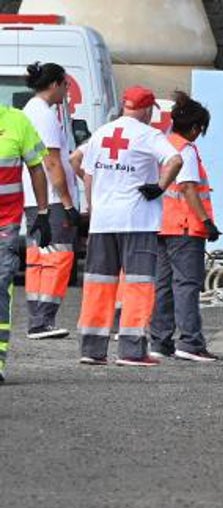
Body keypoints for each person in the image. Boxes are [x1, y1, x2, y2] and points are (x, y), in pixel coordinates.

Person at [77, 86, 183, 366]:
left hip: (103, 222)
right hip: (137, 219)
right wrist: (160, 187)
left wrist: (93, 209)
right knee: (138, 284)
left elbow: (85, 171)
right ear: (148, 110)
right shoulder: (149, 134)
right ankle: (132, 350)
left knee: (98, 285)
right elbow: (175, 159)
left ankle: (92, 349)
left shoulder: (101, 133)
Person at [150, 92, 220, 362]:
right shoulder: (186, 151)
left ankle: (160, 341)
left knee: (163, 285)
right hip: (185, 228)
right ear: (194, 127)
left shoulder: (164, 144)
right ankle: (190, 343)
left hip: (162, 225)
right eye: (201, 129)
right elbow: (188, 188)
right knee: (187, 285)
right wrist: (207, 222)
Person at [21, 61, 81, 340]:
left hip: (35, 198)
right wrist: (68, 203)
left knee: (39, 257)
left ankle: (38, 319)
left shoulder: (30, 110)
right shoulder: (44, 115)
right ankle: (43, 320)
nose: (67, 92)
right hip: (51, 199)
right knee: (59, 256)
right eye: (66, 85)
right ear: (55, 84)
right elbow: (52, 163)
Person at [0, 99, 51, 383]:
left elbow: (36, 167)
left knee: (0, 282)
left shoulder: (17, 121)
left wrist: (42, 213)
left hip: (4, 222)